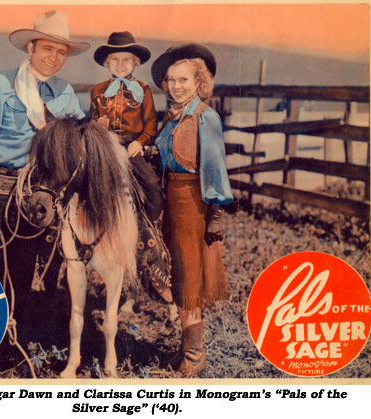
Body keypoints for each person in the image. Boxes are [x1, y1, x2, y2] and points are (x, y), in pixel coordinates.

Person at [0, 10, 89, 347]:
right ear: (31, 48)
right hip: (1, 192)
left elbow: (82, 135)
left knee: (24, 274)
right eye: (48, 49)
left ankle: (15, 343)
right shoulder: (1, 85)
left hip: (40, 198)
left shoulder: (64, 92)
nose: (55, 57)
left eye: (62, 52)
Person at [151, 44, 233, 377]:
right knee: (175, 272)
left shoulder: (204, 116)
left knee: (189, 277)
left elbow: (214, 165)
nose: (176, 86)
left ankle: (196, 356)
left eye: (183, 79)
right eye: (171, 80)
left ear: (199, 81)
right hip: (168, 198)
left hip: (192, 203)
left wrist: (215, 213)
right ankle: (188, 348)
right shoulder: (173, 117)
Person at [90, 31, 163, 223]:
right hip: (106, 147)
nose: (121, 65)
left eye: (126, 60)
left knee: (151, 186)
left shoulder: (143, 89)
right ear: (107, 62)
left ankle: (147, 228)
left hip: (132, 147)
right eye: (115, 59)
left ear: (136, 62)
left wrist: (140, 142)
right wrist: (98, 126)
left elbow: (151, 124)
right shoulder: (98, 91)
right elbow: (92, 121)